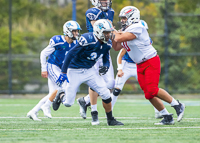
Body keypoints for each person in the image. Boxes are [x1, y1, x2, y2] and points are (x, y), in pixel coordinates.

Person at [111, 6, 185, 125]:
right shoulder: (126, 31)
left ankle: (178, 105)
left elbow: (119, 37)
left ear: (132, 17)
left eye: (124, 18)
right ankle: (167, 117)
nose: (122, 21)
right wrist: (110, 35)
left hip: (151, 61)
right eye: (122, 18)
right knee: (148, 94)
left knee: (152, 90)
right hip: (140, 64)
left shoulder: (138, 27)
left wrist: (111, 30)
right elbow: (116, 47)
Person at [52, 19, 124, 126]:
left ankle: (110, 119)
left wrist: (106, 65)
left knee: (105, 93)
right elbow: (70, 54)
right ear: (99, 32)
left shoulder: (107, 43)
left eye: (109, 32)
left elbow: (105, 57)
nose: (108, 35)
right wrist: (63, 72)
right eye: (106, 32)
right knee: (68, 103)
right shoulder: (88, 39)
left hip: (90, 71)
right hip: (75, 71)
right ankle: (61, 95)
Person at [26, 20, 81, 121]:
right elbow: (43, 53)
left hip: (62, 69)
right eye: (74, 31)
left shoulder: (76, 43)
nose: (77, 33)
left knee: (52, 93)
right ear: (68, 31)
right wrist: (43, 68)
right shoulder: (58, 41)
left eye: (77, 31)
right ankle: (46, 106)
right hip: (52, 66)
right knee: (63, 87)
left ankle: (33, 111)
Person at [111, 19, 163, 119]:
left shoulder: (144, 38)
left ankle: (159, 111)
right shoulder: (128, 38)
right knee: (116, 89)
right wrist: (120, 69)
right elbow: (120, 54)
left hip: (139, 64)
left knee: (151, 88)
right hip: (127, 65)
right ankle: (109, 111)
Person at [76, 0, 115, 119]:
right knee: (94, 80)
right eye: (102, 0)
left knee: (110, 83)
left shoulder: (111, 12)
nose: (105, 2)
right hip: (93, 48)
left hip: (104, 47)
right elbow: (99, 27)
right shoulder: (92, 11)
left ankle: (85, 100)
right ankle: (94, 111)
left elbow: (110, 31)